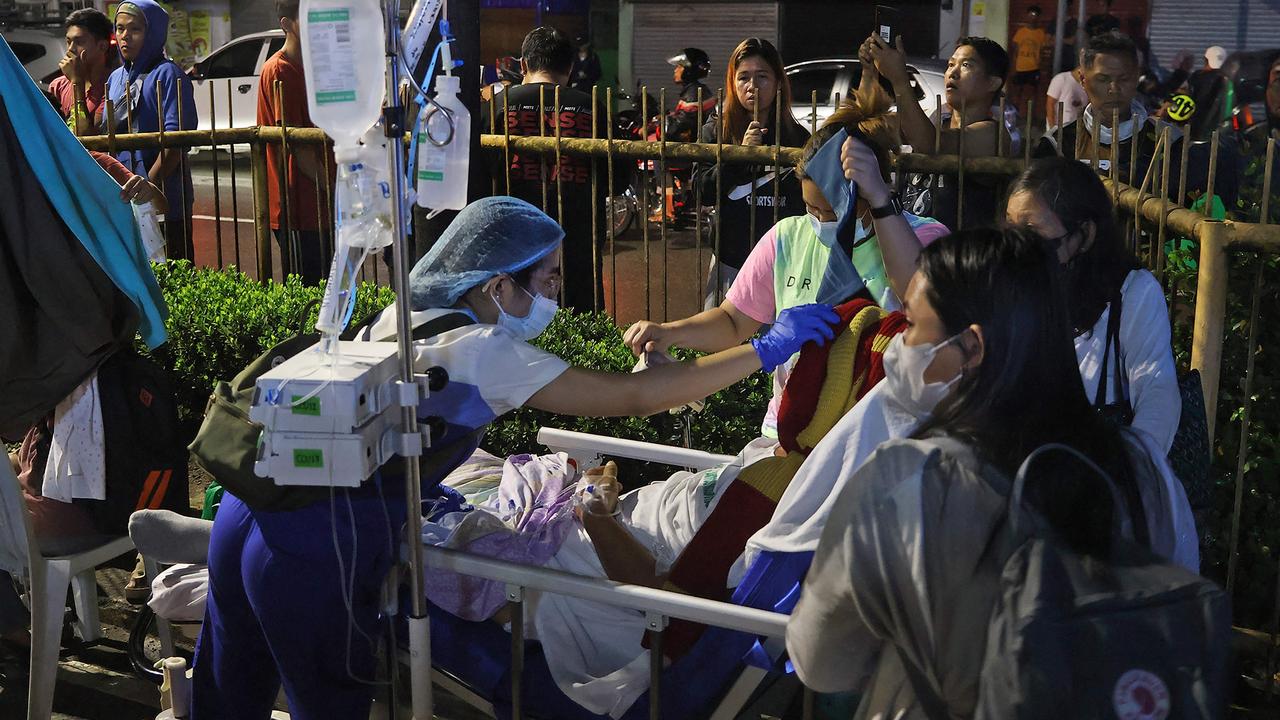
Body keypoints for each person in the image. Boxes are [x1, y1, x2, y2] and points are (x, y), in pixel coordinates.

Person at [190, 196, 839, 720]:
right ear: (498, 285)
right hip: (315, 546)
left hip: (248, 512)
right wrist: (764, 349)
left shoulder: (409, 315)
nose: (560, 290)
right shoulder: (482, 351)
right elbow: (633, 395)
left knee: (225, 699)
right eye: (549, 277)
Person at [785, 228, 1198, 715]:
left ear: (973, 347)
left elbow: (821, 661)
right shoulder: (1142, 469)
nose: (900, 345)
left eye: (914, 326)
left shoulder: (903, 482)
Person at [628, 85, 948, 439]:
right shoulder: (787, 237)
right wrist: (671, 332)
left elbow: (915, 292)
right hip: (790, 430)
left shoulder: (924, 238)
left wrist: (879, 200)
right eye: (812, 209)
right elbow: (733, 322)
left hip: (881, 433)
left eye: (835, 212)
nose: (823, 222)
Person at [1006, 157, 1180, 452]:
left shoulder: (1133, 292)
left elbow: (1157, 390)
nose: (1014, 247)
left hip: (1097, 475)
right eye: (1010, 228)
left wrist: (1135, 469)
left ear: (1084, 235)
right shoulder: (1008, 287)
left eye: (1031, 233)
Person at [478, 27, 624, 313]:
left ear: (523, 64)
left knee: (512, 323)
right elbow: (616, 180)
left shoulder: (498, 105)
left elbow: (482, 175)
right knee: (578, 328)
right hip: (576, 239)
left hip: (511, 239)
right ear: (570, 67)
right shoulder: (592, 107)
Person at [692, 37, 810, 307]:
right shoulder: (716, 131)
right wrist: (740, 156)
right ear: (733, 83)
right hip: (731, 260)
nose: (752, 86)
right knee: (722, 340)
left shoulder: (796, 136)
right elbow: (702, 191)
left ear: (779, 81)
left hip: (782, 265)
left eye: (762, 76)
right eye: (743, 77)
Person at [865, 33, 1012, 230]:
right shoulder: (936, 119)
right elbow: (870, 125)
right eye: (951, 64)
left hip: (951, 253)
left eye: (966, 65)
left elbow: (931, 144)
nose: (953, 72)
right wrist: (869, 71)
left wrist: (900, 78)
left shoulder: (992, 134)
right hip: (907, 244)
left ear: (993, 83)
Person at [104, 0, 198, 261]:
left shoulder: (168, 74)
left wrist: (150, 185)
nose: (125, 36)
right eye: (120, 28)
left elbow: (176, 139)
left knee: (172, 274)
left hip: (165, 199)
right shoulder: (115, 79)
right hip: (123, 199)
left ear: (154, 32)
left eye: (135, 29)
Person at [257, 0, 333, 284]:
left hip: (322, 204)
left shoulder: (316, 67)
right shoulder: (280, 70)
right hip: (298, 208)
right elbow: (300, 151)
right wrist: (335, 189)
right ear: (287, 25)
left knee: (333, 288)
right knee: (309, 291)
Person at [47, 8, 114, 136]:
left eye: (79, 42)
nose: (71, 49)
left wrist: (77, 82)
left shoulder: (113, 85)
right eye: (68, 42)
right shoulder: (58, 86)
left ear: (102, 46)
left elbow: (87, 137)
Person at [666, 47, 717, 142]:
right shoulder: (696, 90)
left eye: (679, 66)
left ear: (689, 70)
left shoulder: (693, 94)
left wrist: (658, 124)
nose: (675, 70)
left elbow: (678, 126)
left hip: (695, 148)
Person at [1009, 5, 1048, 117]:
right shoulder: (1021, 32)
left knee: (1033, 94)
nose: (1032, 18)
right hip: (1020, 67)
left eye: (1035, 16)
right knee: (1017, 93)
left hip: (1034, 67)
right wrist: (1013, 68)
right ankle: (1014, 115)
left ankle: (1031, 116)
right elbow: (1014, 52)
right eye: (1030, 15)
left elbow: (1043, 51)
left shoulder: (1041, 33)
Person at [1186, 45, 1232, 141]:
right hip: (1222, 135)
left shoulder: (1196, 77)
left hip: (1195, 131)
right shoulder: (1230, 80)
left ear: (1205, 60)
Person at [1046, 62, 1088, 128]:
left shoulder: (1086, 85)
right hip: (1059, 127)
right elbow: (1050, 104)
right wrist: (1052, 128)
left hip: (1075, 129)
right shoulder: (1061, 79)